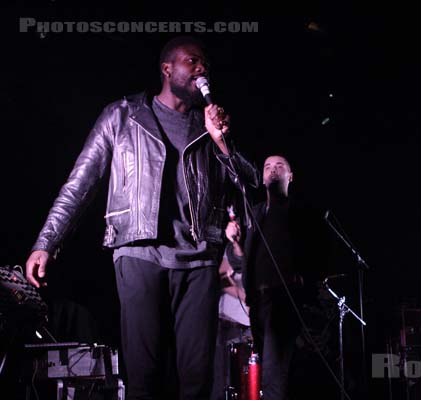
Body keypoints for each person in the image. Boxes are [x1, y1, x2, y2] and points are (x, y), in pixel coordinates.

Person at [25, 36, 259, 399]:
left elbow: (250, 187)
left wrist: (221, 141)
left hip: (198, 260)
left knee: (197, 379)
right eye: (192, 61)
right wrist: (46, 243)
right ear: (167, 69)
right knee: (144, 375)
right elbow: (80, 183)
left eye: (205, 64)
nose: (202, 69)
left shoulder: (209, 126)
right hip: (139, 253)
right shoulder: (122, 115)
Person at [224, 155, 330, 400]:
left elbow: (320, 257)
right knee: (272, 374)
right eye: (267, 167)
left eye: (279, 166)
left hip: (285, 302)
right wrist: (236, 242)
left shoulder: (302, 214)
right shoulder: (256, 214)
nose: (272, 170)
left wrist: (303, 278)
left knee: (275, 376)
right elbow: (240, 260)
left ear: (290, 177)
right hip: (258, 304)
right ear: (261, 178)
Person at [210, 254, 252, 400]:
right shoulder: (234, 246)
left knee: (248, 382)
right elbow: (221, 278)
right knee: (221, 381)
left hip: (249, 327)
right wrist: (246, 297)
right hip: (228, 323)